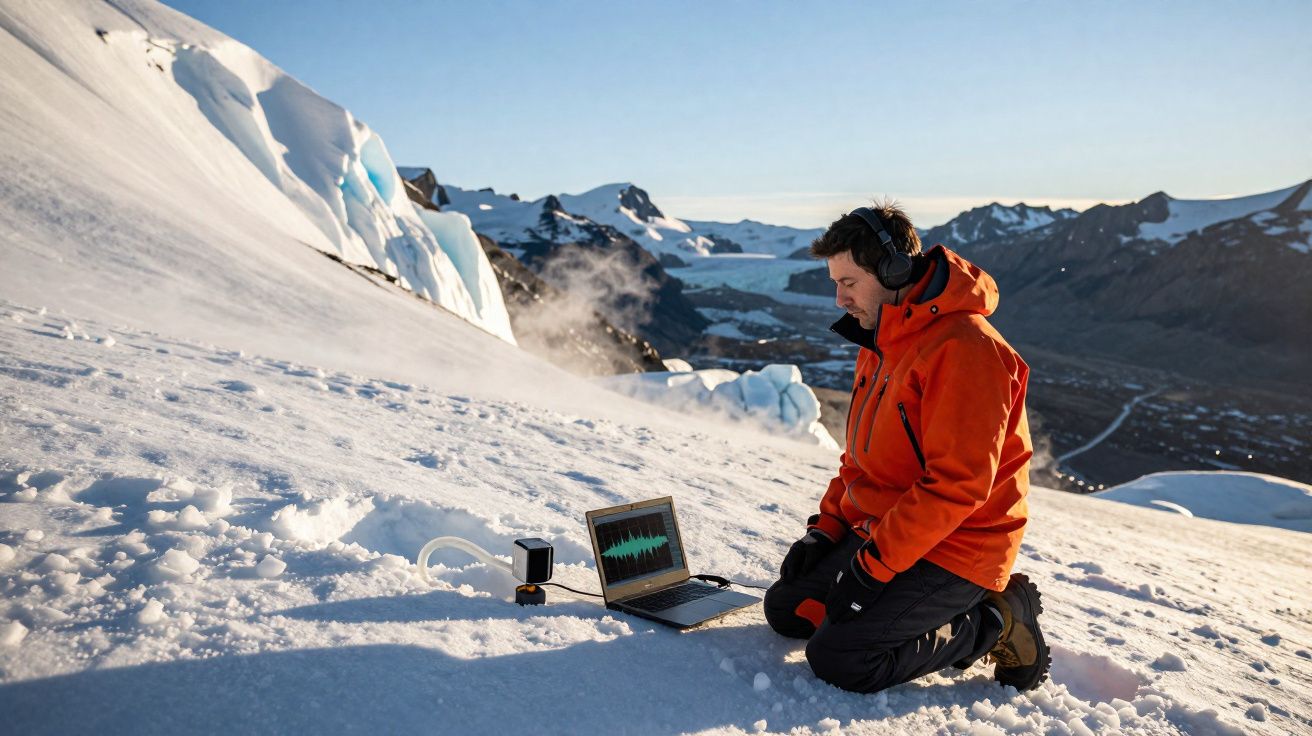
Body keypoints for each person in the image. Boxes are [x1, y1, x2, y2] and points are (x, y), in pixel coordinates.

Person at [764, 200, 1049, 694]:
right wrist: (827, 529)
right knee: (787, 608)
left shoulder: (966, 350)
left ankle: (999, 619)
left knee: (841, 659)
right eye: (835, 283)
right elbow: (859, 460)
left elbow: (957, 487)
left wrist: (873, 568)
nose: (839, 299)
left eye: (849, 283)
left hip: (961, 546)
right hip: (894, 529)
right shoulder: (883, 338)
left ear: (893, 271)